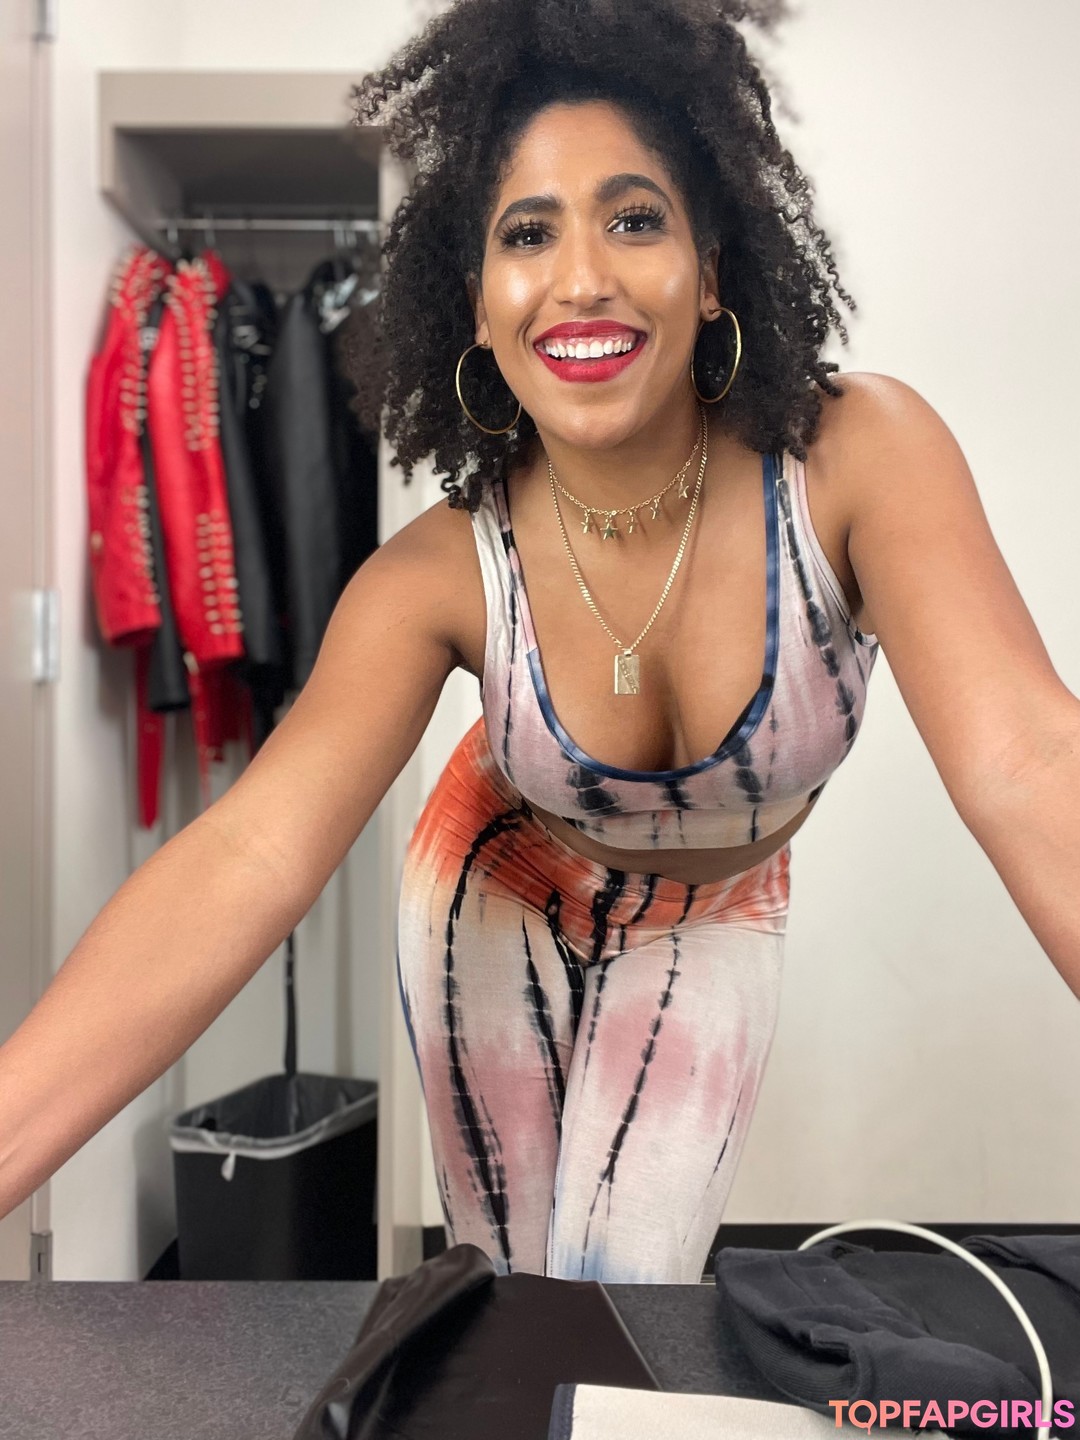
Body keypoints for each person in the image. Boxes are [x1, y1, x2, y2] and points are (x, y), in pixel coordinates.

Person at [2, 0, 1079, 1285]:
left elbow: (1032, 763)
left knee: (625, 1285)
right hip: (492, 885)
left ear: (713, 269)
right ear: (477, 302)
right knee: (512, 1292)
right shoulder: (441, 571)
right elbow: (250, 852)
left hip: (716, 910)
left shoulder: (856, 460)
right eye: (528, 233)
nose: (581, 279)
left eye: (635, 219)